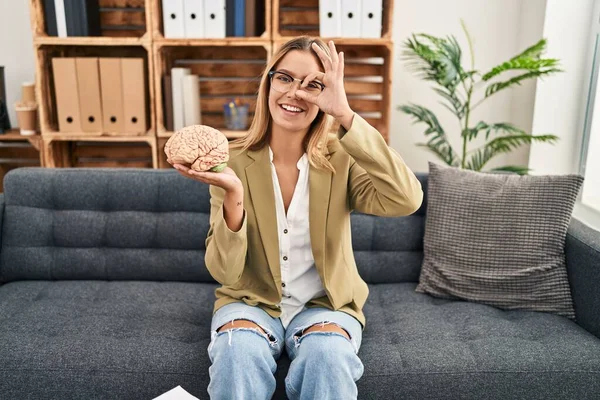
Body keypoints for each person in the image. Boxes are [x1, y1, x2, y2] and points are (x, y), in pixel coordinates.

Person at [171, 36, 423, 400]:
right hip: (251, 302)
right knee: (235, 353)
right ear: (269, 82)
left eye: (314, 85)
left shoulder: (342, 159)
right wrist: (234, 197)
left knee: (328, 357)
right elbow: (224, 273)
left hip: (326, 306)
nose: (295, 93)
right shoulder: (233, 161)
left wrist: (345, 115)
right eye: (285, 78)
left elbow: (407, 198)